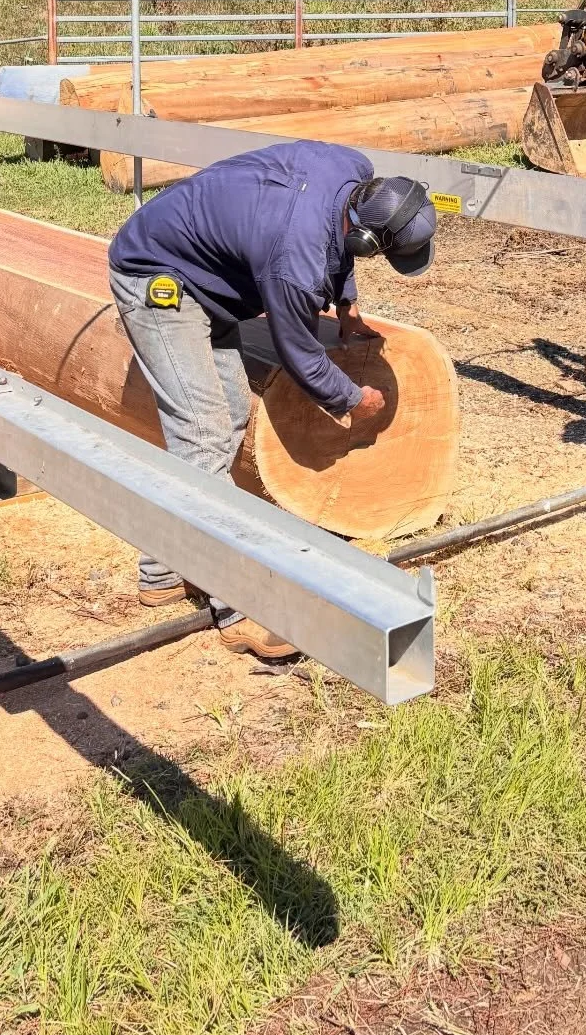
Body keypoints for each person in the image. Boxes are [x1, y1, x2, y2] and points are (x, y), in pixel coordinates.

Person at [107, 141, 438, 661]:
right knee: (203, 436)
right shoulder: (293, 259)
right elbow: (299, 354)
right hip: (159, 277)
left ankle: (163, 571)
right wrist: (353, 399)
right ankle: (243, 606)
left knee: (229, 418)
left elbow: (337, 244)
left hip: (210, 277)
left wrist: (347, 305)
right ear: (367, 239)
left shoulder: (350, 168)